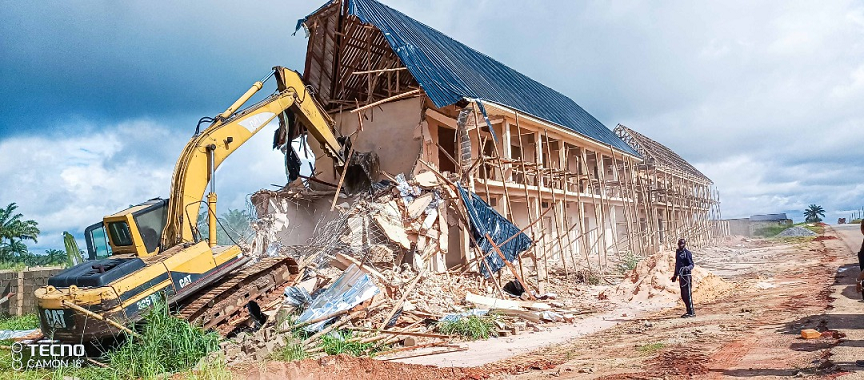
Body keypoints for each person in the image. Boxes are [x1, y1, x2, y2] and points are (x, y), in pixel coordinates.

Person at [671, 238, 695, 318]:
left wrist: (687, 268)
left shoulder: (687, 253)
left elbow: (692, 264)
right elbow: (677, 265)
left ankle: (691, 312)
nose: (681, 245)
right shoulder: (677, 252)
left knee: (688, 293)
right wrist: (675, 275)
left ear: (685, 244)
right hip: (681, 276)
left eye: (682, 244)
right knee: (683, 295)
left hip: (687, 276)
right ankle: (688, 310)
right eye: (680, 244)